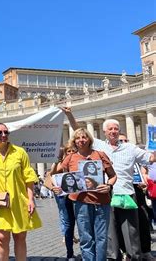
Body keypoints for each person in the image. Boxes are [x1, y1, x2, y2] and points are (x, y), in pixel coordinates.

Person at [64, 108, 156, 260]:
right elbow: (79, 131)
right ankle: (113, 258)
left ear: (119, 131)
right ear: (105, 132)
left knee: (131, 232)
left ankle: (134, 257)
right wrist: (69, 115)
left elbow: (151, 159)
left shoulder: (131, 147)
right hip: (107, 193)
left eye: (116, 129)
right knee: (110, 233)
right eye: (110, 129)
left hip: (127, 192)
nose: (113, 131)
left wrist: (154, 147)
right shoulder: (99, 146)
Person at [53, 127, 116, 261]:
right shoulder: (70, 158)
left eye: (84, 137)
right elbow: (55, 175)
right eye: (78, 138)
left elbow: (113, 176)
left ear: (89, 139)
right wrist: (56, 187)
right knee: (86, 238)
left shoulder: (100, 154)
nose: (81, 140)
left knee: (102, 238)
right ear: (74, 141)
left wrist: (109, 186)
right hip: (80, 203)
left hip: (101, 201)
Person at [0, 122, 42, 261]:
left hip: (19, 200)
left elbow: (28, 177)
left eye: (6, 132)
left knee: (20, 237)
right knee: (1, 238)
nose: (4, 135)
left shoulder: (20, 152)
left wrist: (30, 199)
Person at [48, 144, 78, 260]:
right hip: (64, 197)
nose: (70, 153)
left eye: (73, 151)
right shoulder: (61, 163)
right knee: (68, 223)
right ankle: (69, 253)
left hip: (77, 196)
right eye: (68, 151)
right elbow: (52, 173)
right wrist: (57, 161)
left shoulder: (77, 161)